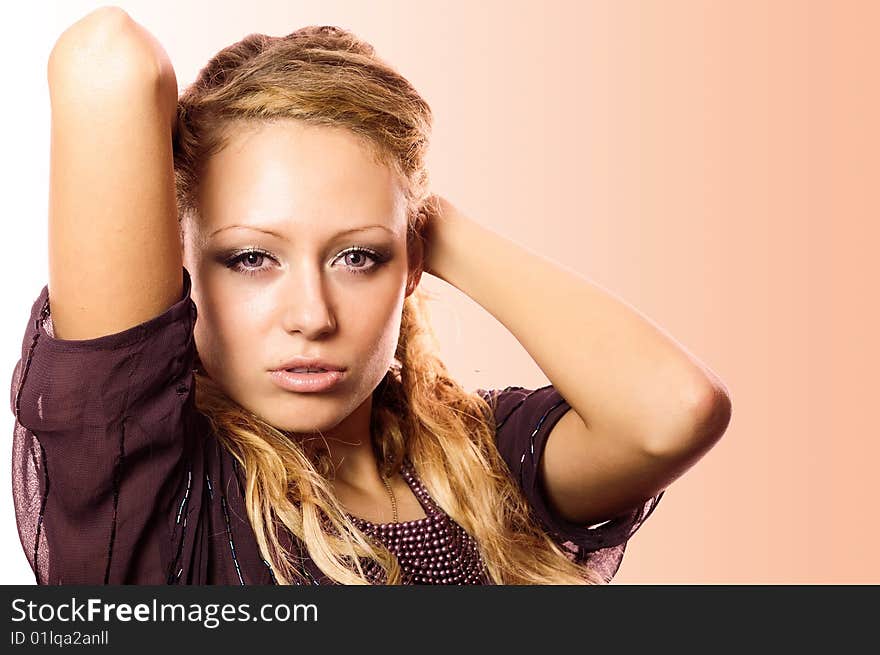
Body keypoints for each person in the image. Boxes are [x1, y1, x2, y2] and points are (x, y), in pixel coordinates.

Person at [10, 7, 730, 585]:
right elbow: (106, 59)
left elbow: (675, 410)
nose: (312, 317)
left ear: (409, 263)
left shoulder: (487, 462)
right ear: (181, 262)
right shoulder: (153, 494)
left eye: (358, 255)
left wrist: (431, 223)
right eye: (251, 257)